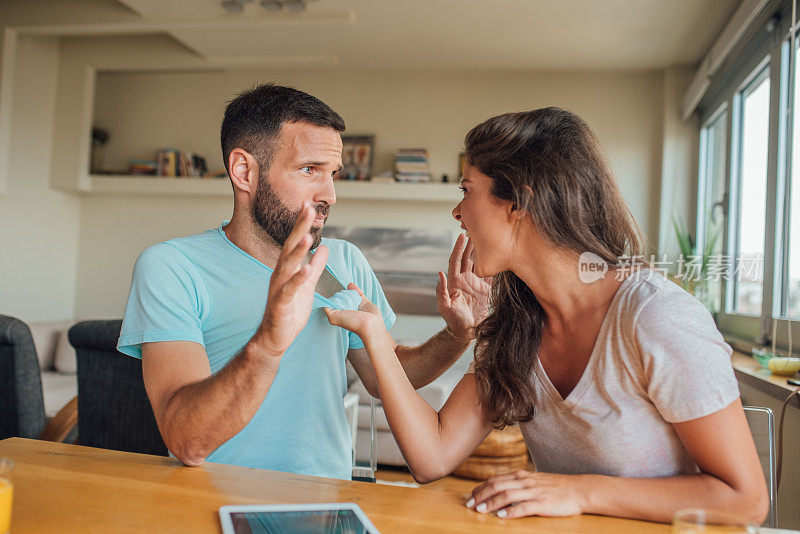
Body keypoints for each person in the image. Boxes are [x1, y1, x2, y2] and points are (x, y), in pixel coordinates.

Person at [324, 107, 769, 523]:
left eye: (466, 191)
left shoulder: (656, 317)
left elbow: (745, 498)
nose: (457, 212)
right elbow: (431, 457)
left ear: (519, 202)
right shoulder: (516, 329)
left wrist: (578, 492)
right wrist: (375, 335)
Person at [116, 84, 485, 480]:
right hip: (211, 504)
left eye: (333, 174)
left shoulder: (343, 262)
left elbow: (388, 377)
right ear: (244, 171)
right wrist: (269, 340)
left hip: (329, 502)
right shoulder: (172, 267)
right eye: (310, 170)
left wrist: (458, 334)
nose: (329, 194)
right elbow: (185, 440)